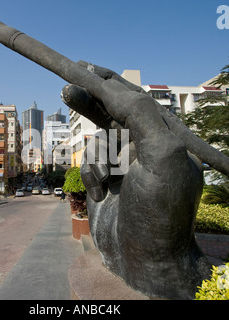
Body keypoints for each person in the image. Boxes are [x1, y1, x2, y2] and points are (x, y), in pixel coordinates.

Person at [60, 62, 212, 299]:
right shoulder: (126, 175)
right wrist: (111, 217)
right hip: (132, 249)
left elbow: (167, 157)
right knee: (108, 152)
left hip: (180, 278)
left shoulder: (171, 163)